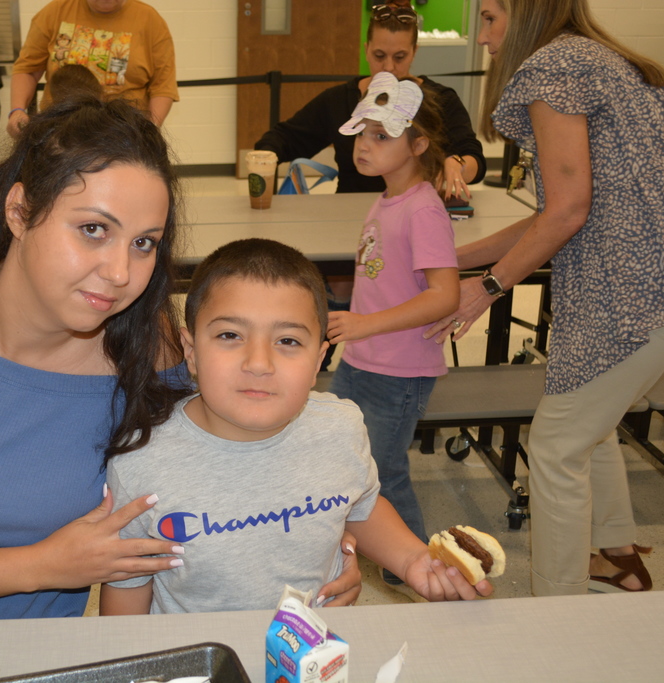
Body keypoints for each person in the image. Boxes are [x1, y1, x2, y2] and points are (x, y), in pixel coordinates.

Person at [0, 98, 364, 621]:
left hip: (53, 658)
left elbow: (227, 474)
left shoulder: (150, 354)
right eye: (93, 229)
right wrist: (41, 565)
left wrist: (316, 557)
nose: (120, 273)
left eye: (144, 243)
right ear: (19, 211)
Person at [427, 0, 664, 596]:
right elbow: (560, 210)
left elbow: (567, 210)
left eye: (491, 18)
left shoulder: (553, 69)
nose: (484, 37)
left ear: (524, 13)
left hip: (636, 296)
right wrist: (456, 261)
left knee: (555, 445)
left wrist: (487, 289)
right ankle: (620, 558)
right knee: (584, 424)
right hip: (663, 288)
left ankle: (556, 607)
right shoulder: (609, 61)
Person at [99, 238, 488, 615]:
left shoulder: (340, 427)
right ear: (191, 350)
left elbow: (360, 508)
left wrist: (413, 559)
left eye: (287, 340)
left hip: (314, 654)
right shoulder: (141, 462)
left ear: (319, 358)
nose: (259, 362)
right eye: (230, 335)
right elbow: (127, 591)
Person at [326, 72, 459, 590]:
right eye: (363, 134)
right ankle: (361, 554)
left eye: (382, 136)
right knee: (346, 460)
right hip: (362, 362)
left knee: (381, 475)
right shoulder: (386, 200)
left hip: (398, 372)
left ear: (418, 144)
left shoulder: (423, 207)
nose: (365, 146)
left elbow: (443, 295)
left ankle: (425, 572)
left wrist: (364, 324)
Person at [254, 3, 485, 200]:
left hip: (413, 210)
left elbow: (472, 157)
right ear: (366, 51)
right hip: (352, 212)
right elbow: (288, 138)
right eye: (379, 56)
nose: (389, 68)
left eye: (400, 57)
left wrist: (457, 166)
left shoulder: (439, 101)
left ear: (414, 51)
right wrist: (263, 159)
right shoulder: (338, 100)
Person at [7, 0, 178, 138]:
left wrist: (150, 130)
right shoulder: (55, 11)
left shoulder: (150, 20)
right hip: (59, 131)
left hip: (124, 135)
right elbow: (27, 68)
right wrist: (17, 110)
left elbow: (163, 87)